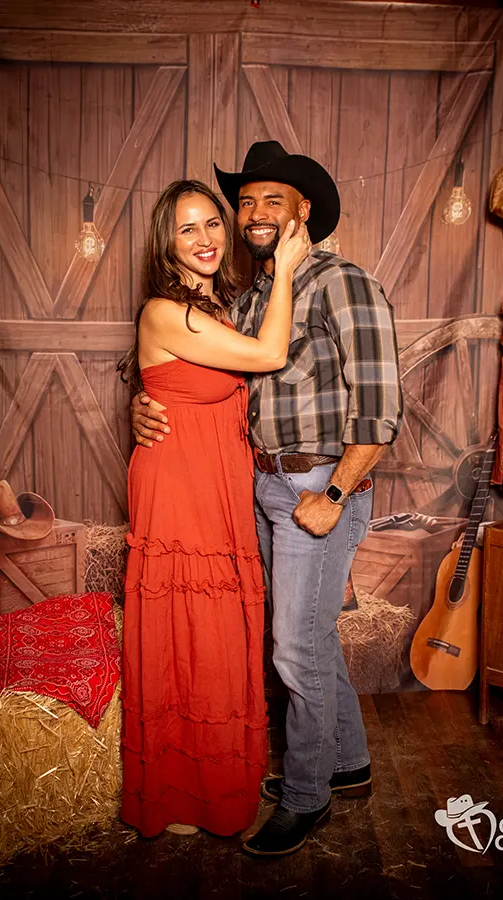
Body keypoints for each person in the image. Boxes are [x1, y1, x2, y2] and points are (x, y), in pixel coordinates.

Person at [132, 142, 403, 857]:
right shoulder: (250, 297)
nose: (252, 213)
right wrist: (145, 397)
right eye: (245, 201)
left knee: (295, 644)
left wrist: (336, 491)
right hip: (260, 484)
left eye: (271, 200)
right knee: (308, 636)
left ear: (302, 211)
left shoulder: (344, 283)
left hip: (318, 484)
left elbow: (380, 406)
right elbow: (202, 375)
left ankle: (306, 796)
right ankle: (346, 763)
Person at [118, 178, 311, 839]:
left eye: (212, 224)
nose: (205, 238)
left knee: (216, 632)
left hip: (218, 483)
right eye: (187, 228)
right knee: (186, 628)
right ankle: (177, 792)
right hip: (179, 487)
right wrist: (287, 266)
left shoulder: (219, 309)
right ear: (165, 243)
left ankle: (213, 782)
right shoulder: (162, 311)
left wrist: (142, 397)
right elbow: (270, 355)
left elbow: (194, 385)